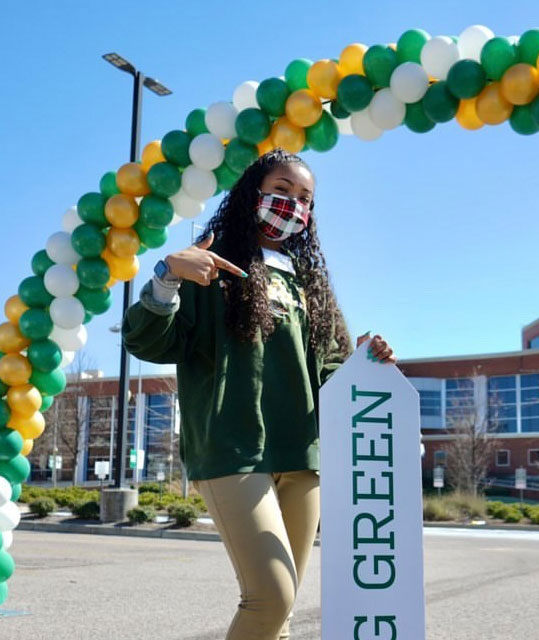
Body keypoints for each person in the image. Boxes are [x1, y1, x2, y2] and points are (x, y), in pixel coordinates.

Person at [122, 147, 397, 640]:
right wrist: (167, 278)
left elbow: (331, 371)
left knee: (279, 615)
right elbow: (150, 342)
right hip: (233, 451)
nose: (293, 205)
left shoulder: (309, 282)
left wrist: (364, 362)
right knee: (271, 597)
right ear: (253, 193)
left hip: (301, 456)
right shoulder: (210, 265)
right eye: (282, 191)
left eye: (305, 198)